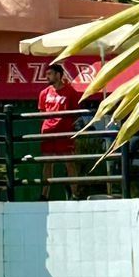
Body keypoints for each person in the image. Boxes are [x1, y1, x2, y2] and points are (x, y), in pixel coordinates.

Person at [37, 62, 81, 194]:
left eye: (50, 74)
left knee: (69, 162)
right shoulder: (44, 93)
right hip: (48, 132)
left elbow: (76, 112)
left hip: (64, 133)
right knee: (47, 163)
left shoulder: (70, 91)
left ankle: (74, 194)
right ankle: (44, 194)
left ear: (58, 75)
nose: (47, 77)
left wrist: (67, 125)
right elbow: (41, 112)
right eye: (46, 74)